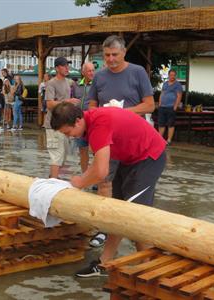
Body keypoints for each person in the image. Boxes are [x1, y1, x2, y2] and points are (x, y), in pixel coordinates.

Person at [51, 102, 166, 277]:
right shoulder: (91, 123)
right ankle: (104, 263)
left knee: (133, 215)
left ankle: (148, 268)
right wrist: (81, 180)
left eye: (68, 132)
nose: (70, 137)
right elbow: (97, 164)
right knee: (117, 212)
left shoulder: (99, 124)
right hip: (129, 159)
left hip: (149, 156)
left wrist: (80, 183)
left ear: (78, 121)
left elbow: (101, 171)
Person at [87, 35, 155, 247]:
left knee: (133, 188)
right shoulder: (99, 77)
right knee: (104, 181)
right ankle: (104, 229)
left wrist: (122, 113)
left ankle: (137, 233)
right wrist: (101, 114)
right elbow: (91, 105)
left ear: (124, 52)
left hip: (134, 140)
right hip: (108, 139)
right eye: (107, 55)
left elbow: (150, 105)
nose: (111, 59)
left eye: (115, 55)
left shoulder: (137, 72)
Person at [44, 57, 80, 178]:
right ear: (57, 68)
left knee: (63, 156)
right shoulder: (51, 83)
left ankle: (52, 179)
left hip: (64, 125)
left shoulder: (67, 82)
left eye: (67, 66)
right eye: (64, 66)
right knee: (57, 155)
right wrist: (67, 101)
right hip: (53, 126)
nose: (67, 68)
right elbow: (49, 104)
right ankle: (53, 182)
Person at [72, 62, 95, 173]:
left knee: (96, 151)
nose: (92, 73)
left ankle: (97, 177)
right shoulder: (76, 86)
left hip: (93, 122)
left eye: (93, 70)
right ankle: (85, 174)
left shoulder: (96, 85)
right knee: (82, 150)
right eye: (89, 70)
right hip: (80, 122)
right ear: (83, 72)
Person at [158, 69, 183, 145]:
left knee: (170, 124)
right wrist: (159, 103)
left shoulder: (178, 85)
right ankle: (159, 139)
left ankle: (168, 140)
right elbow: (162, 93)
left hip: (171, 107)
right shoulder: (165, 83)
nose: (172, 76)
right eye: (171, 75)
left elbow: (179, 96)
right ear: (168, 75)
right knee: (161, 123)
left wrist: (175, 106)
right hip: (162, 107)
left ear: (175, 76)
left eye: (173, 75)